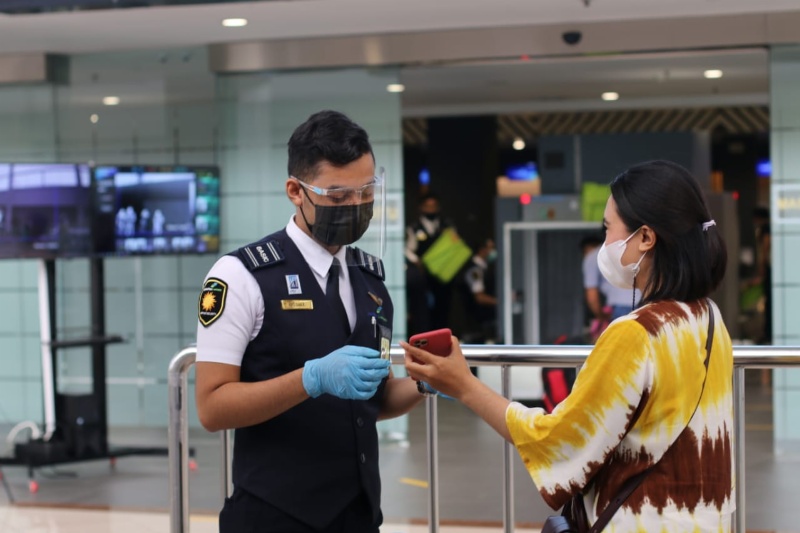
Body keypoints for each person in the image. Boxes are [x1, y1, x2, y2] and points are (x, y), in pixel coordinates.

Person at [402, 160, 734, 532]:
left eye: (609, 229)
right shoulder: (709, 319)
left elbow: (557, 441)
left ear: (645, 237)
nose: (604, 243)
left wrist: (464, 386)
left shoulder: (636, 334)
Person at [194, 110, 425, 533]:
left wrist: (429, 382)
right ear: (296, 191)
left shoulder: (370, 280)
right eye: (338, 197)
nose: (355, 206)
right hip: (273, 516)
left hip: (358, 515)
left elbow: (367, 403)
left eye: (366, 192)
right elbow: (212, 407)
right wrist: (310, 379)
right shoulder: (241, 276)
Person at [404, 193, 457, 332]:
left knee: (443, 308)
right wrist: (418, 262)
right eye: (428, 206)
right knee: (422, 310)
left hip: (442, 273)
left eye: (434, 206)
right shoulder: (414, 227)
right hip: (423, 275)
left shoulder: (447, 225)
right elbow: (408, 250)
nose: (431, 209)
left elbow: (455, 245)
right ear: (421, 208)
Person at [580, 234, 641, 341]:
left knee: (620, 350)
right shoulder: (632, 249)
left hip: (619, 309)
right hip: (644, 303)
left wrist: (601, 315)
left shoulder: (593, 257)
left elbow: (592, 296)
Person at [459, 237, 498, 344]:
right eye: (491, 248)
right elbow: (479, 297)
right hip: (475, 325)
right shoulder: (474, 270)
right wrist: (500, 302)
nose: (493, 251)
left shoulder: (484, 268)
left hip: (483, 322)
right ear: (482, 250)